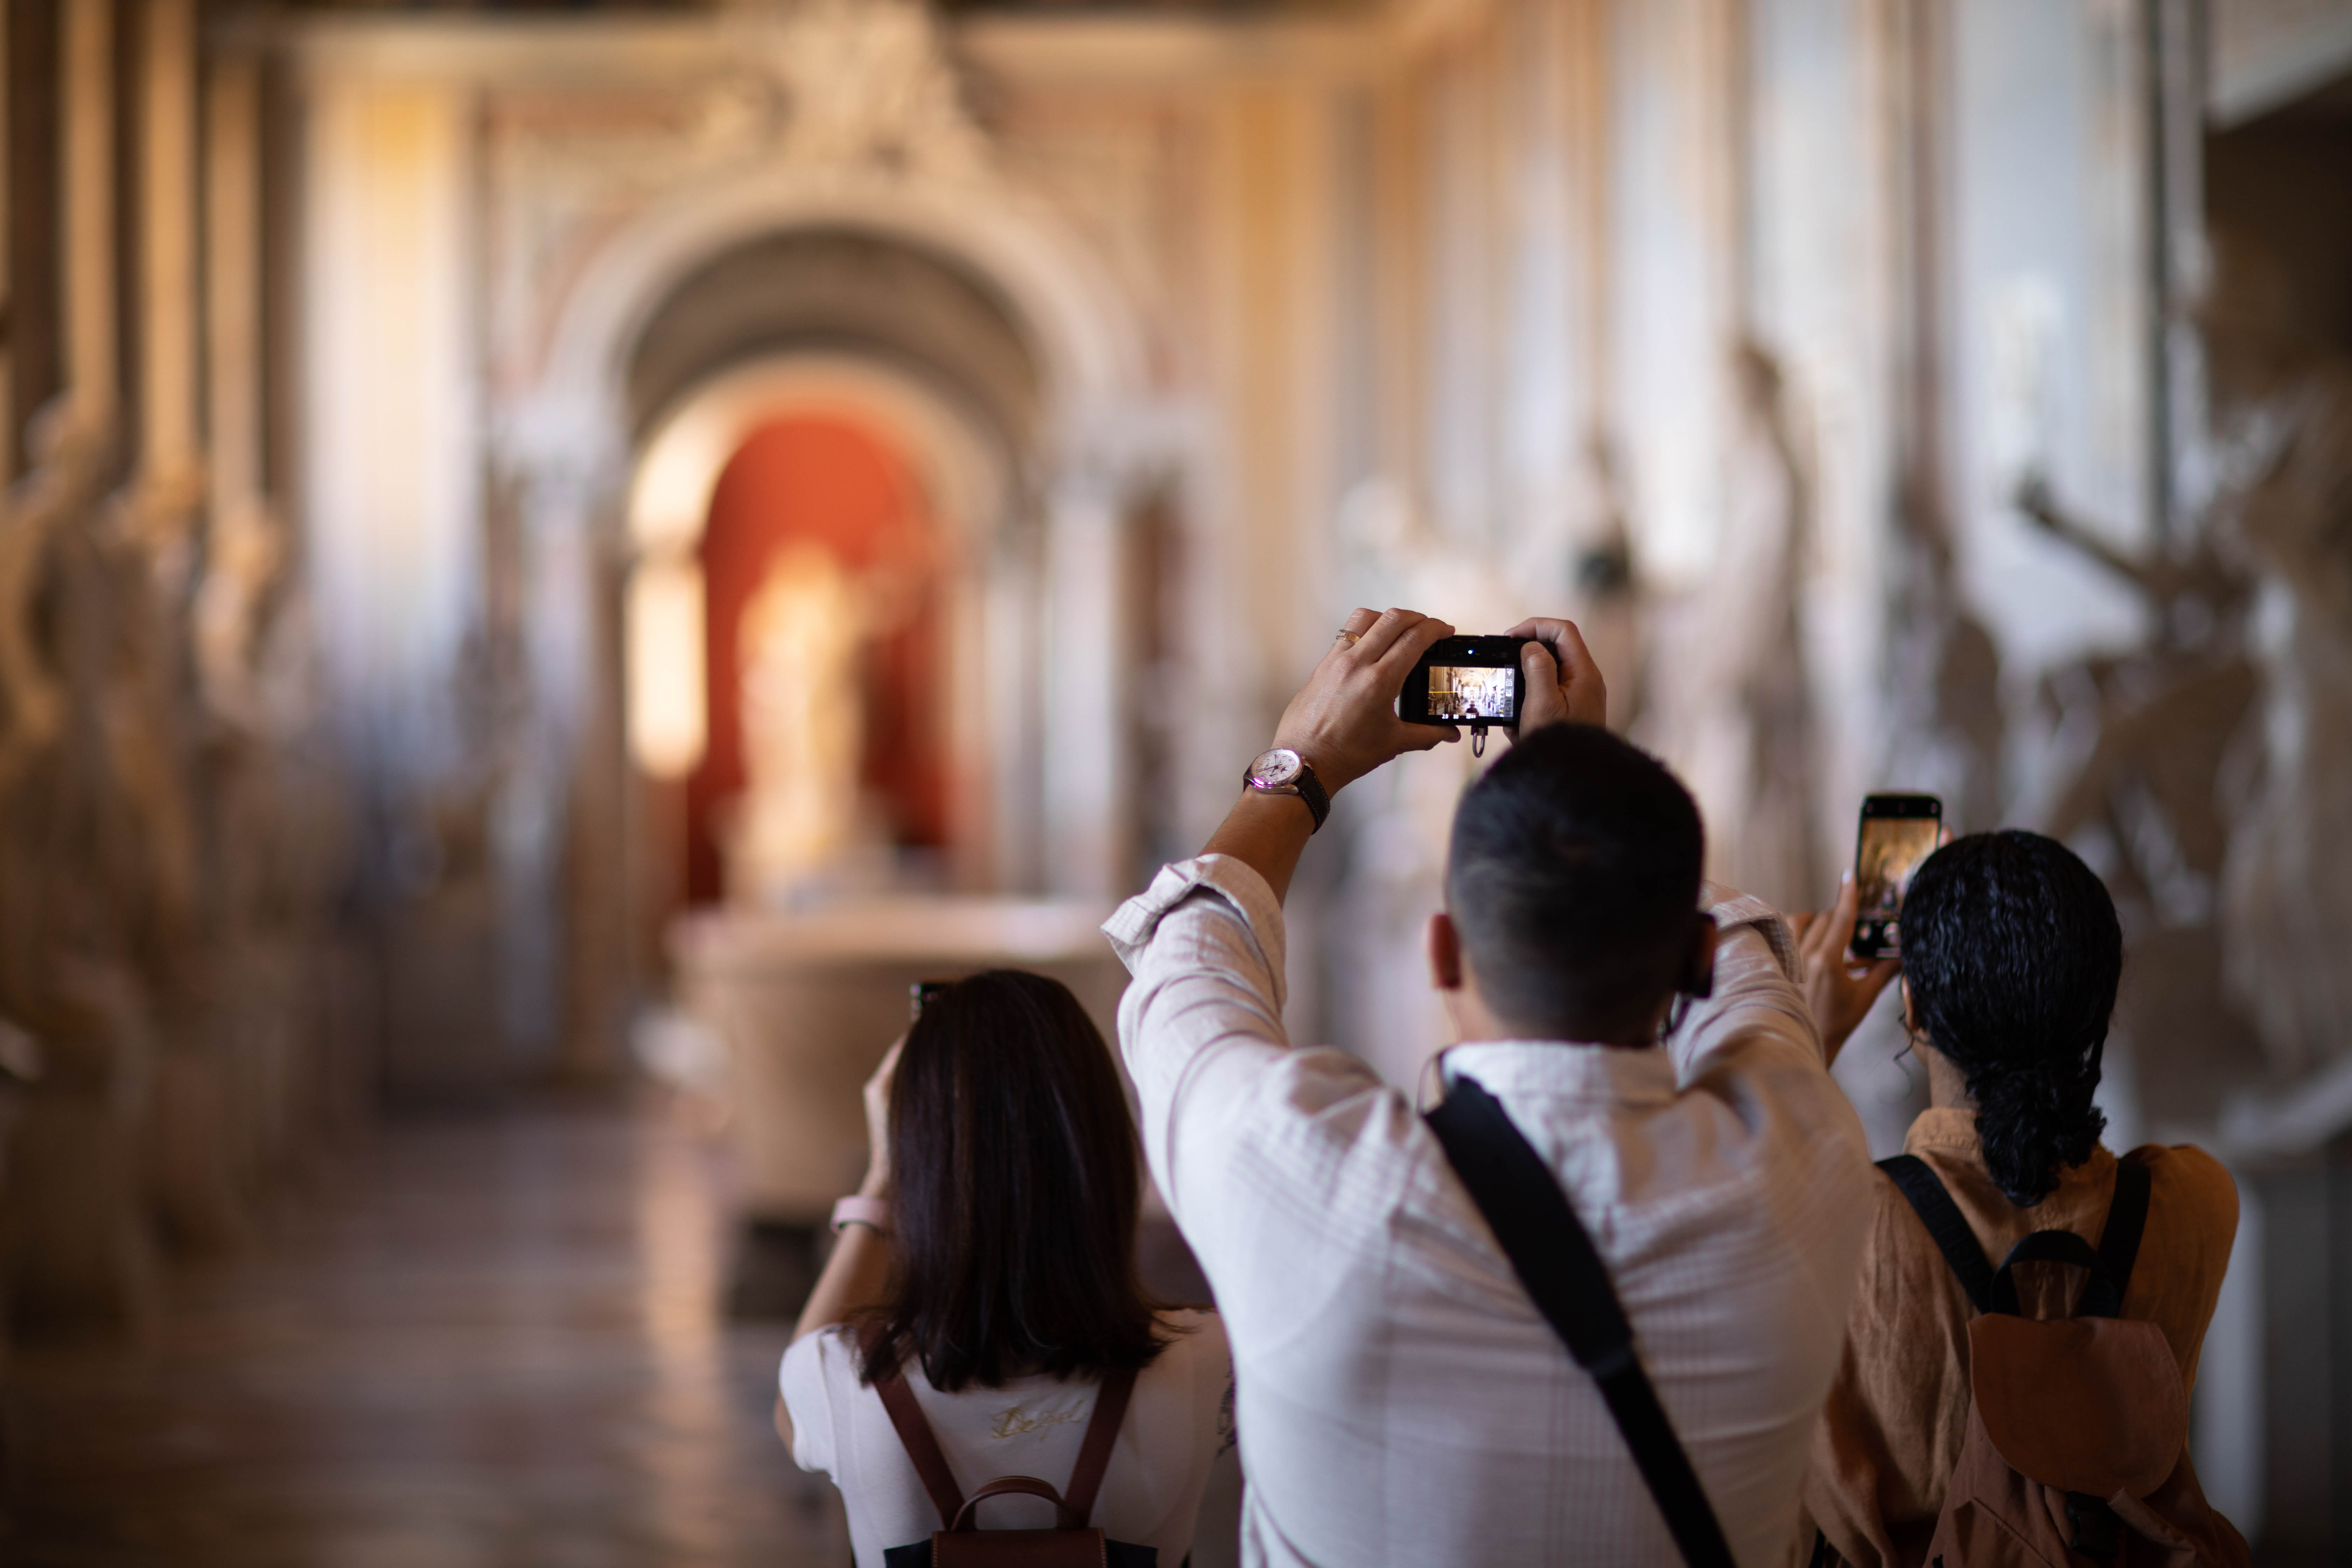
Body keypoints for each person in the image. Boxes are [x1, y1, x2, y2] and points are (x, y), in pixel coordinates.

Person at [1102, 608, 1877, 1567]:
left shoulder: (1302, 1176)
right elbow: (1756, 988)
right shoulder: (1808, 1164)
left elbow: (1187, 960)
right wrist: (1581, 789)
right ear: (1689, 959)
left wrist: (1301, 765)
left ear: (1443, 952)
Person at [1793, 831, 2240, 1568]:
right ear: (2099, 1011)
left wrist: (1805, 1039)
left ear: (1913, 1009)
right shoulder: (2194, 1205)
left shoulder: (1836, 1222)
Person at [777, 970, 1234, 1568]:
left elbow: (792, 1412)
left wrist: (882, 1176)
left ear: (921, 1162)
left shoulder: (838, 1378)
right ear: (1103, 1152)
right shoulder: (1210, 1359)